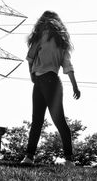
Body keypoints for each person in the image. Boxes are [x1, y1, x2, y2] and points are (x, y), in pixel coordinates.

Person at [21, 10, 81, 167]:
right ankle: (68, 159)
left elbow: (29, 58)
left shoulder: (41, 36)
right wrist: (75, 86)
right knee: (55, 120)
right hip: (49, 81)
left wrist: (32, 75)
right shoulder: (61, 41)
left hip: (44, 81)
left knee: (40, 121)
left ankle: (30, 157)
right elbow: (67, 66)